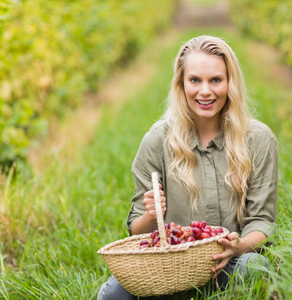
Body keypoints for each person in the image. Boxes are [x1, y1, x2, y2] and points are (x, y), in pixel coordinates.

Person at [98, 35, 278, 299]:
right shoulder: (158, 141)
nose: (205, 91)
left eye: (216, 80)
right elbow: (137, 230)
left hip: (227, 263)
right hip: (171, 268)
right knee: (112, 294)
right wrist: (151, 213)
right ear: (181, 85)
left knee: (256, 269)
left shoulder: (258, 140)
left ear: (230, 83)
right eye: (195, 80)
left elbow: (262, 221)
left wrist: (239, 247)